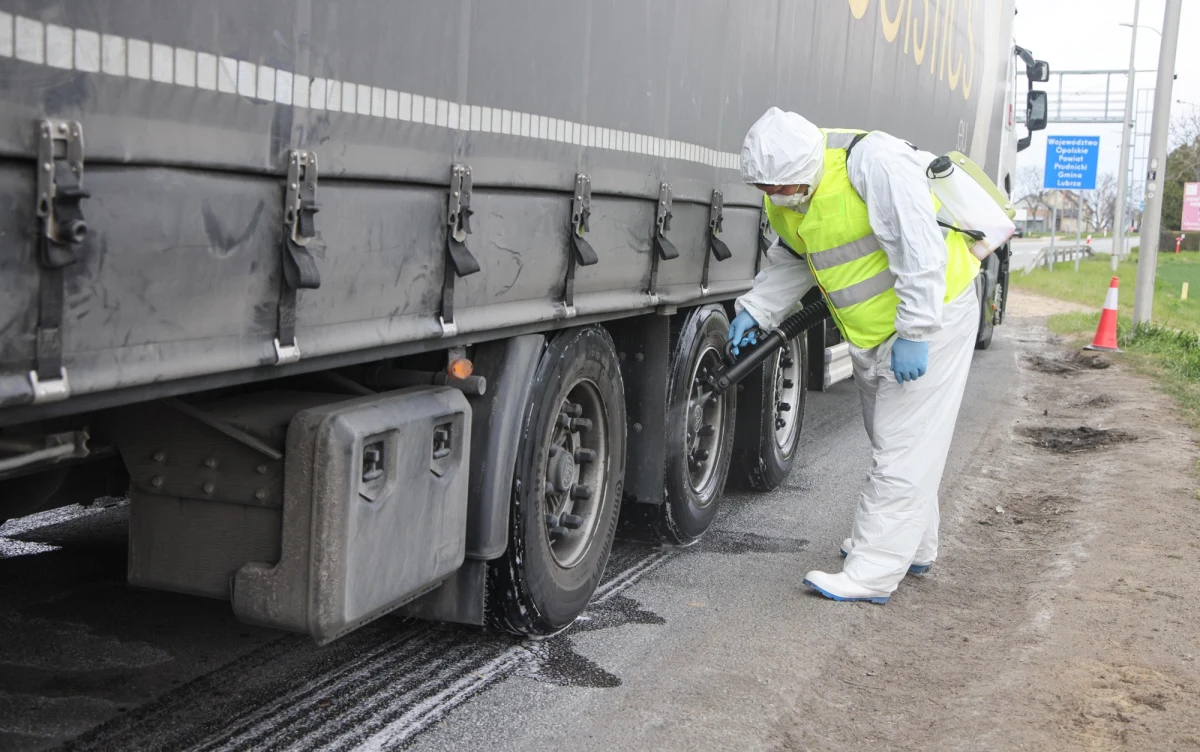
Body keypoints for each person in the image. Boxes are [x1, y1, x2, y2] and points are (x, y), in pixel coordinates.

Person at [730, 107, 981, 604]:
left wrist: (916, 331)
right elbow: (792, 260)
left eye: (778, 188)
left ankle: (872, 571)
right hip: (874, 331)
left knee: (901, 448)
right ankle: (914, 547)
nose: (772, 198)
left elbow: (920, 249)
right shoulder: (788, 194)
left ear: (805, 170)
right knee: (901, 440)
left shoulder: (874, 163)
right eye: (764, 189)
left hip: (935, 317)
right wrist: (756, 311)